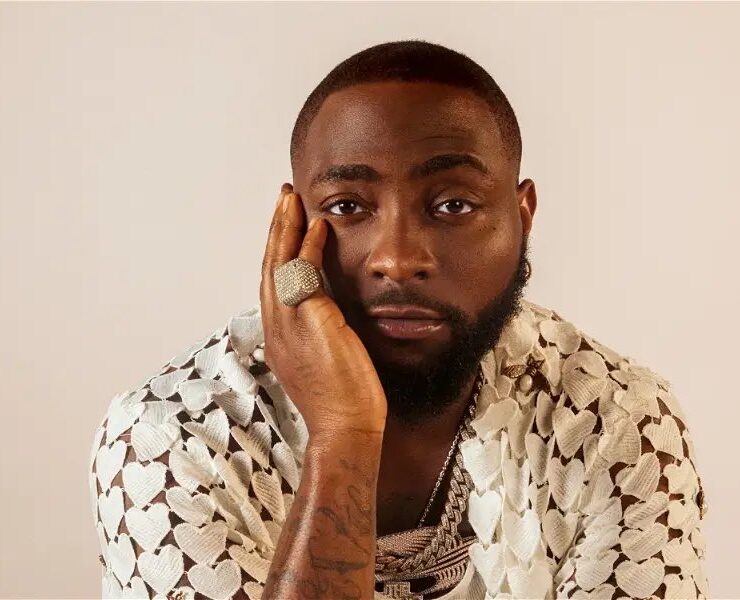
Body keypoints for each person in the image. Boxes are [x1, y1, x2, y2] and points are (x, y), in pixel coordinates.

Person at [88, 40, 709, 600]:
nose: (398, 258)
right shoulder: (170, 441)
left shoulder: (616, 420)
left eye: (453, 204)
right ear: (292, 223)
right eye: (347, 206)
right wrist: (343, 434)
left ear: (522, 217)